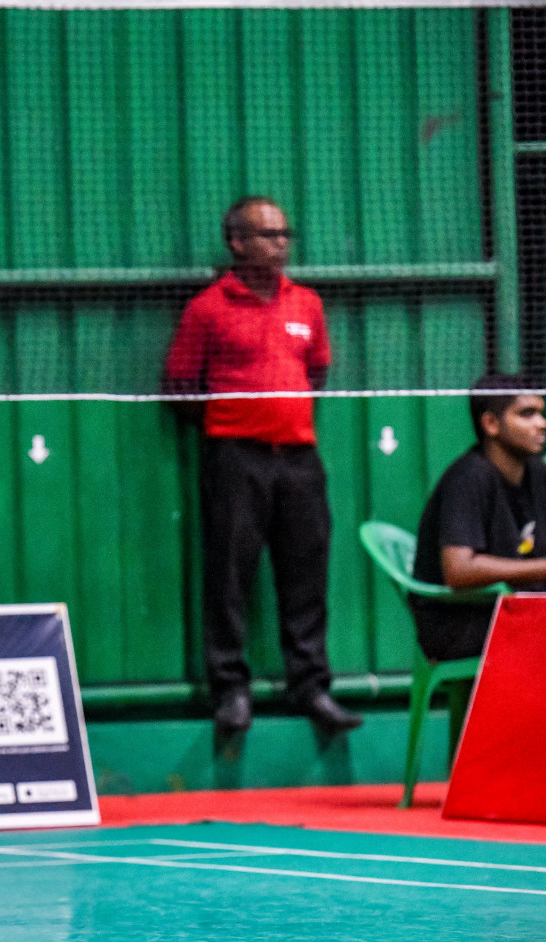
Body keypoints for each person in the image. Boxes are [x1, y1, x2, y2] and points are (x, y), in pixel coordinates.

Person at [162, 196, 362, 734]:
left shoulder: (307, 304)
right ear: (236, 243)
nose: (279, 243)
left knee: (306, 573)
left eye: (283, 234)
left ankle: (311, 687)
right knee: (229, 574)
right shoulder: (208, 307)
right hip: (234, 459)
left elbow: (316, 372)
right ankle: (230, 690)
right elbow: (181, 384)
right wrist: (235, 428)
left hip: (299, 458)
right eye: (266, 234)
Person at [411, 376, 546, 660]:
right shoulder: (469, 478)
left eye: (541, 413)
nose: (541, 423)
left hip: (511, 607)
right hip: (457, 621)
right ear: (491, 424)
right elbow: (459, 570)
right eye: (527, 414)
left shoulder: (535, 473)